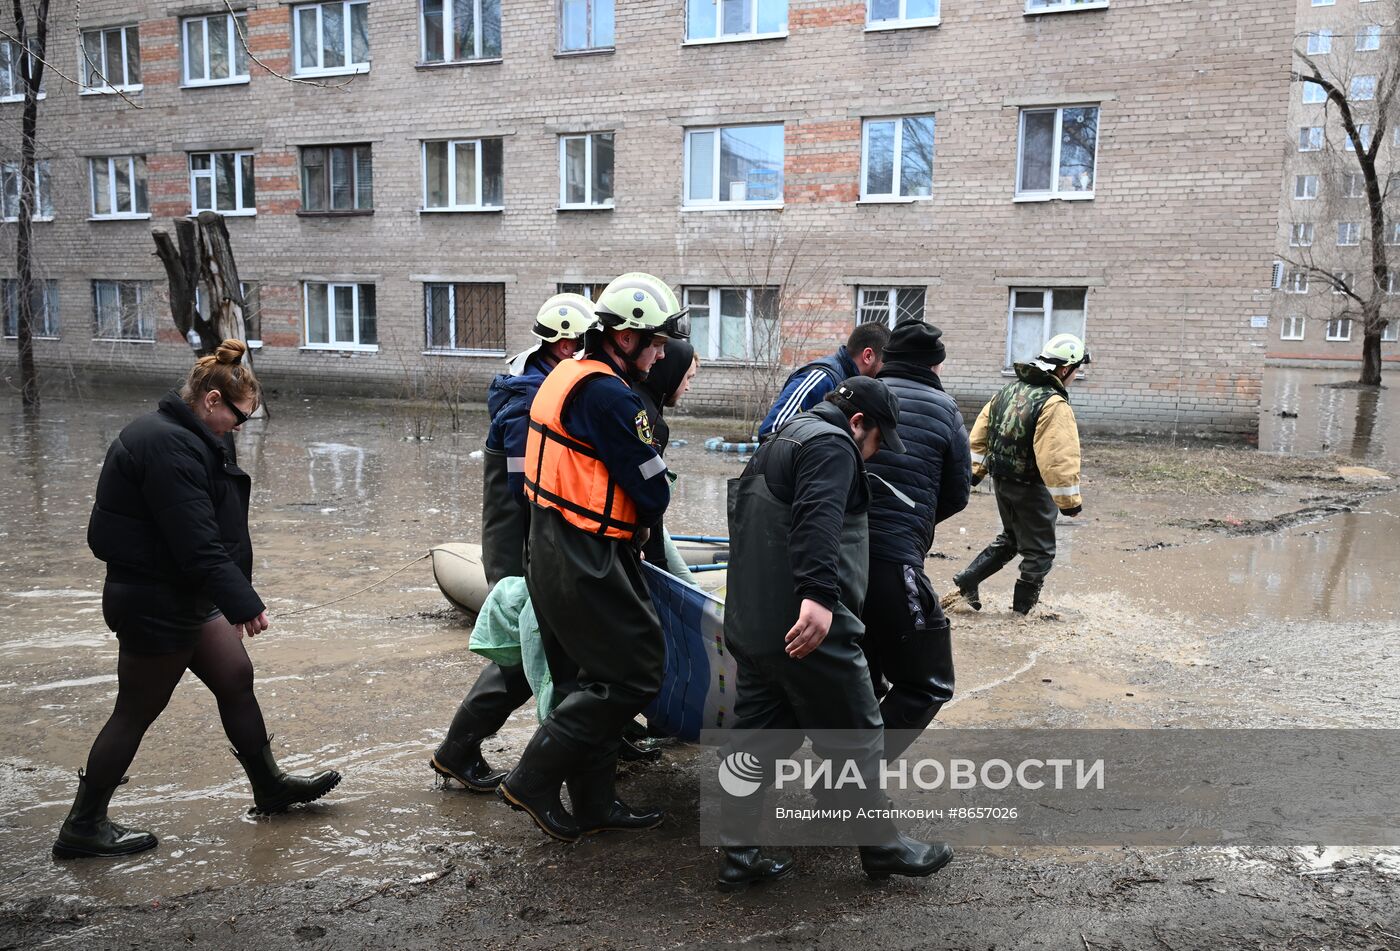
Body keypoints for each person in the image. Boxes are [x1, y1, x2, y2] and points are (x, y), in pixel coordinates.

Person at [55, 340, 340, 860]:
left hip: (184, 591)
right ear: (211, 400)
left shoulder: (195, 438)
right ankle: (83, 825)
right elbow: (195, 541)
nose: (240, 426)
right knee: (136, 710)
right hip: (151, 598)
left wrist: (231, 594)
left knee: (235, 677)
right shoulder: (165, 445)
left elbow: (212, 534)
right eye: (239, 416)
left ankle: (269, 787)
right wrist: (242, 601)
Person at [719, 377, 953, 892]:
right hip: (808, 630)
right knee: (858, 734)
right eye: (875, 442)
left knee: (754, 739)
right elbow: (817, 519)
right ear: (857, 424)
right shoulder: (832, 446)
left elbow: (745, 527)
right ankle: (883, 848)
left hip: (754, 626)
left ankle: (736, 852)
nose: (871, 455)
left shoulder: (780, 439)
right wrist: (820, 597)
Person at [497, 272, 685, 843]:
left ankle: (595, 802)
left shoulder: (566, 374)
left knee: (585, 677)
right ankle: (531, 779)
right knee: (634, 671)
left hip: (549, 541)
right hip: (587, 550)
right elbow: (654, 490)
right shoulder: (609, 394)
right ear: (624, 338)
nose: (660, 354)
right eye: (654, 342)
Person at [430, 294, 596, 793]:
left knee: (541, 653)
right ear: (566, 345)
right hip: (522, 548)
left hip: (523, 544)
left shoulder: (534, 383)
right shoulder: (528, 404)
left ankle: (461, 750)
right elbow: (533, 493)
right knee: (524, 659)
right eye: (588, 345)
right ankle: (456, 751)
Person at [862, 320, 971, 760]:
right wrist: (916, 522)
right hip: (895, 559)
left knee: (861, 671)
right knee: (929, 681)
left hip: (829, 558)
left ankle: (841, 771)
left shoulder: (855, 394)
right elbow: (957, 494)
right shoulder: (945, 409)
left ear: (885, 358)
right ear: (937, 365)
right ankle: (852, 776)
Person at [947, 333, 1088, 616]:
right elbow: (1057, 458)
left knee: (1011, 538)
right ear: (1064, 370)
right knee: (1040, 553)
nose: (1075, 376)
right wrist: (1069, 503)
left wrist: (974, 473)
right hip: (1032, 488)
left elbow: (979, 434)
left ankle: (967, 581)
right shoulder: (1054, 404)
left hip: (1002, 482)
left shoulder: (1008, 391)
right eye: (1076, 370)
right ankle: (1021, 617)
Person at [756, 321, 890, 439]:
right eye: (884, 363)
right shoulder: (821, 379)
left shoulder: (853, 387)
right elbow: (771, 432)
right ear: (868, 356)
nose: (885, 370)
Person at [635, 337, 698, 571]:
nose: (688, 387)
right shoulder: (652, 422)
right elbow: (649, 492)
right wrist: (655, 558)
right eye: (687, 378)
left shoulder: (634, 397)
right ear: (670, 373)